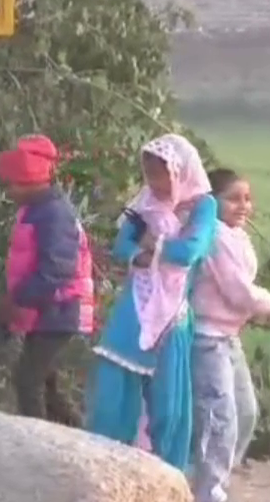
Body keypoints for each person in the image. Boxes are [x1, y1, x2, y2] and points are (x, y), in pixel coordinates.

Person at [86, 133, 217, 472]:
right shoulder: (144, 201)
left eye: (161, 174)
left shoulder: (203, 205)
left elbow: (190, 251)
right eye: (150, 174)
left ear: (179, 171)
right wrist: (145, 253)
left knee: (169, 402)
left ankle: (168, 474)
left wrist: (152, 246)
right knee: (114, 375)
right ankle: (107, 463)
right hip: (137, 301)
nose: (155, 183)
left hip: (174, 312)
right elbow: (122, 246)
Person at [190, 167, 270, 502]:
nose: (243, 206)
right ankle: (208, 491)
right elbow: (239, 293)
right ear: (210, 201)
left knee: (244, 411)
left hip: (228, 336)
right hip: (207, 337)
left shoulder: (235, 235)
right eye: (232, 198)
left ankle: (215, 479)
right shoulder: (212, 235)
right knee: (219, 414)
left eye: (247, 198)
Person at [0, 134, 95, 425]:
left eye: (13, 184)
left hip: (60, 309)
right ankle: (77, 435)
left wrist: (20, 297)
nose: (9, 191)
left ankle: (37, 438)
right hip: (47, 309)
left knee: (28, 378)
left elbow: (58, 271)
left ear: (32, 180)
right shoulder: (38, 209)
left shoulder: (54, 214)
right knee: (45, 383)